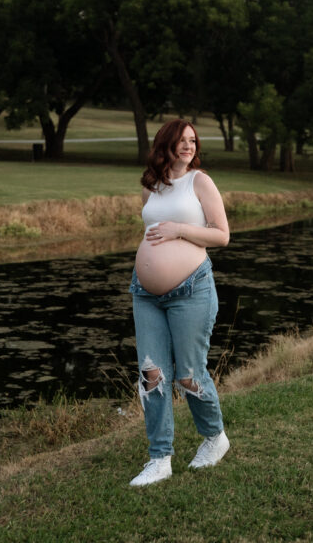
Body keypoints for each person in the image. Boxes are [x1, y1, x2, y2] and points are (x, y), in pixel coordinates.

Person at [128, 118, 231, 487]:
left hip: (192, 290)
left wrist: (179, 230)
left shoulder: (199, 182)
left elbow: (222, 235)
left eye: (192, 141)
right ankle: (160, 458)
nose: (188, 146)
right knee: (152, 374)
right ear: (165, 144)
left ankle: (215, 438)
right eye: (181, 140)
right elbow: (149, 234)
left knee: (188, 375)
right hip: (145, 293)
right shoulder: (151, 186)